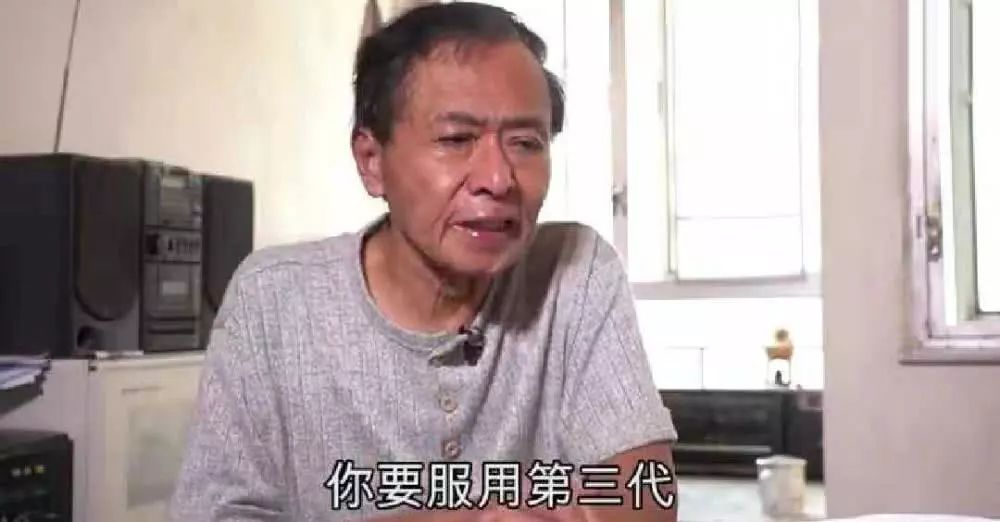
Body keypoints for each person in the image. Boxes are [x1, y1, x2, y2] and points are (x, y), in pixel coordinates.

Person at [169, 2, 677, 521]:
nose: (498, 179)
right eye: (457, 140)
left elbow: (647, 496)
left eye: (526, 143)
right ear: (372, 162)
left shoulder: (575, 272)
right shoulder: (274, 300)